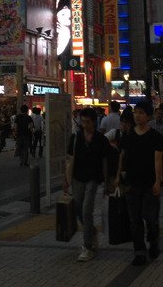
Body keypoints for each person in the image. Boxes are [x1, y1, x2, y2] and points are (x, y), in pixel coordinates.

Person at [115, 101, 163, 266]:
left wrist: (158, 181)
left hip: (150, 183)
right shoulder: (128, 135)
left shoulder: (156, 137)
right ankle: (140, 252)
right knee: (134, 220)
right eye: (136, 112)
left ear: (148, 116)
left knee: (150, 218)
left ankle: (154, 239)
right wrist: (117, 177)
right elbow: (122, 156)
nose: (137, 115)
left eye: (141, 113)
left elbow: (158, 160)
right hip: (131, 183)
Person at [64, 107, 109, 262]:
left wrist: (107, 182)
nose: (85, 125)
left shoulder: (101, 140)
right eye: (82, 122)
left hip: (93, 178)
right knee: (77, 209)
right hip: (77, 177)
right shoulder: (76, 137)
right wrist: (66, 179)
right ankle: (92, 232)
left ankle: (87, 246)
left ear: (94, 122)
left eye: (88, 122)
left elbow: (105, 161)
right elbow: (69, 159)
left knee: (86, 210)